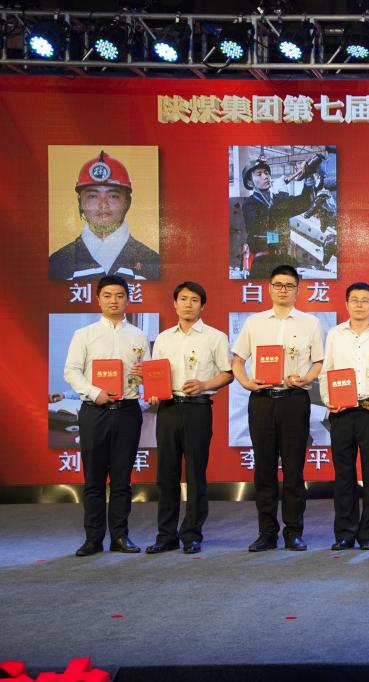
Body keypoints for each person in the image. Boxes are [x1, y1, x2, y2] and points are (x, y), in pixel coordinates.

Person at [231, 264, 324, 552]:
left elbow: (319, 362)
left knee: (294, 470)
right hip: (262, 400)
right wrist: (245, 382)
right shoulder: (254, 322)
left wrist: (307, 378)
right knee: (264, 469)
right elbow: (237, 360)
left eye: (289, 285)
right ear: (269, 288)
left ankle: (294, 532)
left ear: (298, 289)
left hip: (295, 400)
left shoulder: (310, 323)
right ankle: (267, 533)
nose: (283, 290)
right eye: (278, 284)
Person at [63, 274, 149, 556]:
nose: (114, 301)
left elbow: (149, 374)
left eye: (120, 296)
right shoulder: (84, 335)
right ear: (98, 300)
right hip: (95, 411)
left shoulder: (138, 336)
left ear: (128, 299)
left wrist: (144, 375)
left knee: (122, 479)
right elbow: (71, 371)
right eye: (108, 296)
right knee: (94, 479)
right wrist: (93, 391)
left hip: (128, 411)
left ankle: (120, 537)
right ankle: (93, 539)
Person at [144, 282, 233, 555]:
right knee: (166, 474)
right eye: (183, 299)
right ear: (174, 304)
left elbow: (228, 374)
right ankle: (166, 535)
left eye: (194, 300)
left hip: (198, 408)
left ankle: (192, 534)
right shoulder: (163, 339)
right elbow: (155, 373)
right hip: (168, 409)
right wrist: (153, 391)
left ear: (202, 305)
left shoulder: (215, 337)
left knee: (195, 474)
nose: (188, 304)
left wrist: (204, 384)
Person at [320, 282, 369, 551]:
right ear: (346, 304)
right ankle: (345, 533)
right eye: (354, 300)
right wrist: (328, 400)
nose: (359, 304)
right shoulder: (335, 335)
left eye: (364, 300)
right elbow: (326, 371)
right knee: (343, 475)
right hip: (342, 412)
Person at [49, 151, 159, 281]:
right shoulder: (56, 264)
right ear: (80, 202)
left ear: (128, 202)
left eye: (113, 196)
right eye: (93, 196)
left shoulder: (153, 263)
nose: (103, 204)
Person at [240, 154, 319, 279]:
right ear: (250, 182)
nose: (265, 176)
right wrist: (282, 193)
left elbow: (304, 203)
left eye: (266, 173)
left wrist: (308, 181)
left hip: (282, 258)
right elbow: (264, 224)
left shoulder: (276, 200)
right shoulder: (250, 204)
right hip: (263, 263)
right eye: (259, 174)